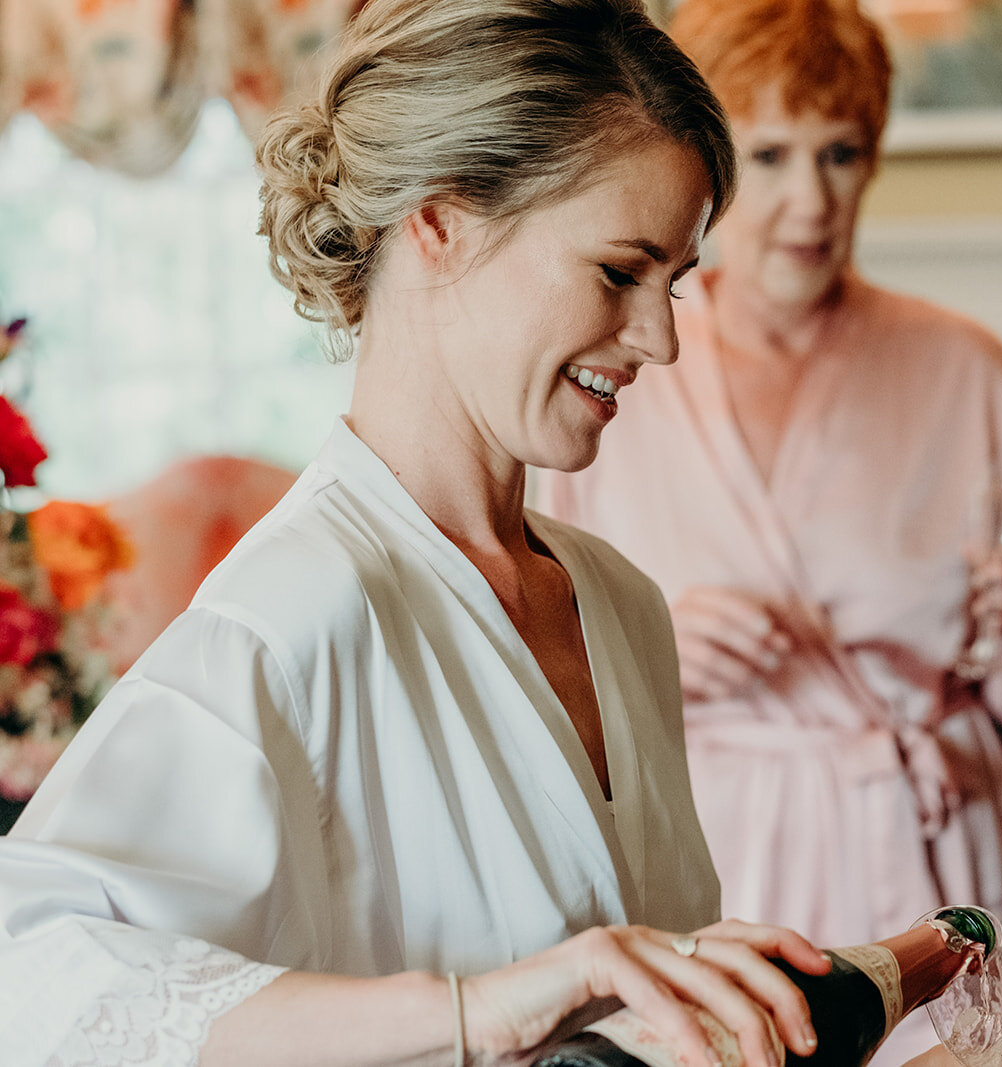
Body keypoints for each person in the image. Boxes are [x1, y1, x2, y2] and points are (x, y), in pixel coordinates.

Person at [0, 2, 839, 1064]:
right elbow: (29, 975)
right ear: (440, 222)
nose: (662, 339)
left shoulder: (622, 604)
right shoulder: (295, 610)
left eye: (674, 283)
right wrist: (484, 1010)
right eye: (620, 272)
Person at [539, 1, 1002, 1061]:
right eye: (769, 154)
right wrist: (648, 651)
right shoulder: (607, 374)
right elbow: (532, 677)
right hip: (712, 862)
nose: (811, 199)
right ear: (700, 163)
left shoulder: (970, 373)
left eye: (841, 153)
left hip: (926, 862)